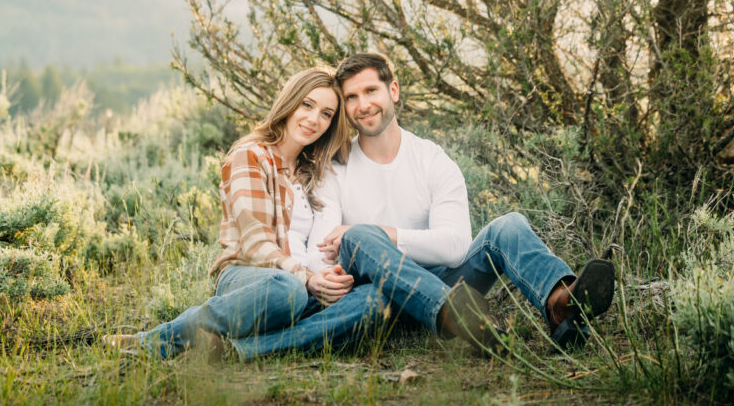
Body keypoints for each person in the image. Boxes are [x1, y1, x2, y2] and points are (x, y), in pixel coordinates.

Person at [223, 52, 615, 360]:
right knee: (359, 241)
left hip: (445, 288)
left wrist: (386, 236)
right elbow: (326, 245)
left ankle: (561, 303)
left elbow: (455, 247)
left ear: (392, 91)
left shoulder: (432, 160)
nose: (362, 105)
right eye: (351, 98)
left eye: (370, 91)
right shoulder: (335, 165)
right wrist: (325, 278)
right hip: (378, 294)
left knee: (507, 226)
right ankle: (454, 317)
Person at [103, 67, 354, 358]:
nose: (314, 119)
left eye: (326, 114)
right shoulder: (251, 156)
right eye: (307, 105)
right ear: (290, 102)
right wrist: (308, 278)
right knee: (287, 292)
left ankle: (236, 348)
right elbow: (256, 245)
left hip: (304, 286)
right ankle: (155, 340)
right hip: (253, 277)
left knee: (369, 299)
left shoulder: (314, 173)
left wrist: (329, 282)